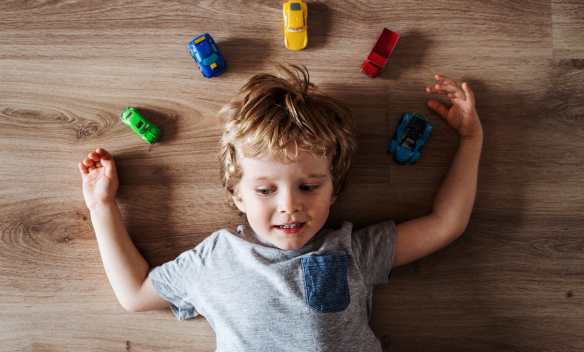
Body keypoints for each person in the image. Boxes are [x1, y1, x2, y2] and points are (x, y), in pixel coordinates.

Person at [78, 65, 483, 351]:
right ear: (237, 194)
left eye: (308, 186)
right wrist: (102, 205)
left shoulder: (352, 251)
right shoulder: (214, 260)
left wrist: (470, 141)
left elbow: (446, 223)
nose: (290, 205)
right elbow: (134, 294)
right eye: (266, 190)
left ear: (335, 188)